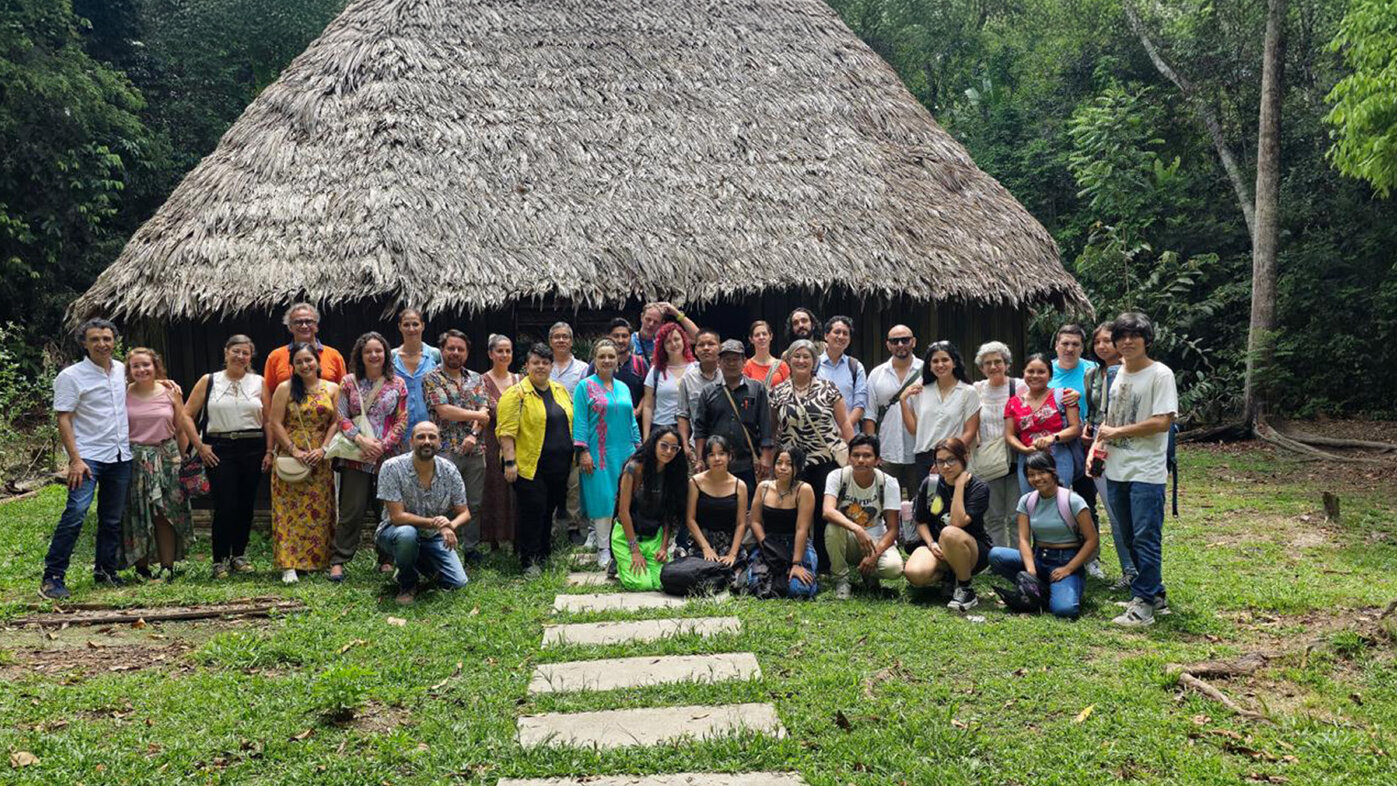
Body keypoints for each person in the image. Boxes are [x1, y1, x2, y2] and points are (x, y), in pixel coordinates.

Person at [1095, 312, 1178, 628]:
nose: (1127, 341)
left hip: (1146, 469)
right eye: (1122, 336)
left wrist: (1118, 433)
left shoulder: (1160, 374)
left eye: (1134, 335)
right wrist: (1100, 447)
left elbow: (1162, 421)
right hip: (1116, 468)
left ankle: (1143, 604)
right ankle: (1153, 593)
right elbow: (1108, 419)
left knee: (1145, 536)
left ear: (1147, 340)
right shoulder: (1115, 374)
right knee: (1128, 535)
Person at [42, 319, 134, 599]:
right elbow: (64, 418)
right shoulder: (71, 376)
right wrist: (74, 459)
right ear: (84, 343)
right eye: (95, 339)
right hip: (88, 457)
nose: (102, 344)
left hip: (120, 455)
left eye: (107, 338)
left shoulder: (121, 370)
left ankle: (105, 570)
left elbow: (139, 387)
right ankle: (52, 577)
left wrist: (163, 382)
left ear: (114, 340)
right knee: (75, 514)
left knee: (111, 519)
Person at [118, 348, 205, 581]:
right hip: (134, 459)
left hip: (166, 457)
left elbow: (180, 427)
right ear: (129, 371)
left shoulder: (170, 393)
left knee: (164, 514)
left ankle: (167, 567)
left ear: (156, 366)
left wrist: (183, 456)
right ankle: (141, 567)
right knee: (138, 513)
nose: (142, 370)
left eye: (146, 365)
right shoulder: (121, 393)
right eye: (136, 366)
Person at [184, 335, 267, 578]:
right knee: (225, 505)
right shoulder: (209, 381)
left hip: (252, 447)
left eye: (245, 353)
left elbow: (270, 420)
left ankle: (238, 556)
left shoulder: (259, 382)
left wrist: (270, 451)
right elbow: (187, 414)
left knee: (245, 505)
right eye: (236, 351)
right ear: (226, 352)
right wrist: (200, 446)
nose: (240, 357)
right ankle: (219, 559)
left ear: (250, 357)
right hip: (219, 449)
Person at [330, 332, 408, 581]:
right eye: (368, 352)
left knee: (386, 508)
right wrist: (362, 441)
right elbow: (340, 417)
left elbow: (402, 419)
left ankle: (386, 558)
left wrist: (382, 446)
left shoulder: (397, 384)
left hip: (388, 456)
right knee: (352, 509)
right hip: (355, 455)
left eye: (378, 351)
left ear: (385, 354)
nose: (374, 355)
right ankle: (339, 560)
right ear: (360, 356)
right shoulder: (348, 383)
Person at [988, 450, 1098, 619]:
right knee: (996, 555)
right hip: (1039, 558)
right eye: (1031, 475)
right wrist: (1031, 572)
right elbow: (1024, 539)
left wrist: (1068, 569)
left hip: (1066, 561)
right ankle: (1038, 587)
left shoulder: (1073, 500)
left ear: (1053, 472)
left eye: (1042, 472)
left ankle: (1048, 592)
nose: (1037, 478)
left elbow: (1092, 540)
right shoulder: (1027, 501)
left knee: (1064, 611)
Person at [497, 343, 574, 578]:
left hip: (558, 466)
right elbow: (506, 431)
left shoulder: (560, 390)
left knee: (548, 508)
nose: (540, 366)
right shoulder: (516, 394)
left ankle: (543, 553)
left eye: (545, 362)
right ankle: (529, 560)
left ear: (551, 366)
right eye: (535, 362)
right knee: (533, 510)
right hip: (528, 465)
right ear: (527, 366)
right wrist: (510, 462)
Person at [375, 422, 470, 605]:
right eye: (421, 437)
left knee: (458, 582)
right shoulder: (392, 467)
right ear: (411, 441)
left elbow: (464, 512)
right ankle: (407, 584)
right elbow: (397, 517)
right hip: (394, 532)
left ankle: (411, 564)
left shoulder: (449, 470)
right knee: (407, 534)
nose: (427, 441)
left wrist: (450, 525)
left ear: (439, 442)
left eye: (432, 437)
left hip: (432, 536)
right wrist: (437, 523)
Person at [269, 343, 340, 584]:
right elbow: (275, 422)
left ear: (317, 362)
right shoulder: (284, 388)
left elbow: (336, 422)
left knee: (318, 510)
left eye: (308, 360)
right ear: (293, 366)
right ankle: (289, 564)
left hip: (319, 458)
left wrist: (324, 449)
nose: (304, 365)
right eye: (299, 362)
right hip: (291, 455)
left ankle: (316, 560)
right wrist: (293, 449)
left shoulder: (332, 388)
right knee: (288, 511)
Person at [572, 339, 643, 569]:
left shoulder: (623, 387)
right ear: (595, 359)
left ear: (617, 360)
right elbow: (580, 420)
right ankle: (604, 549)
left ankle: (622, 545)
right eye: (602, 356)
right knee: (603, 500)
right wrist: (582, 451)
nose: (607, 360)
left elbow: (631, 419)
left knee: (625, 499)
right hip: (598, 452)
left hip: (625, 451)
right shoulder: (585, 386)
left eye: (611, 356)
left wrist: (639, 448)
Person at [903, 438, 993, 611]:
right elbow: (921, 521)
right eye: (940, 461)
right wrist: (931, 543)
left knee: (949, 533)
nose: (946, 466)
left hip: (970, 550)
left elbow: (957, 523)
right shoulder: (930, 484)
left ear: (964, 457)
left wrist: (959, 487)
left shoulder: (979, 488)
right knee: (915, 574)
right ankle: (949, 577)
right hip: (938, 546)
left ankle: (965, 588)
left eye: (951, 460)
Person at [423, 329, 490, 560]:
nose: (455, 352)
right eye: (451, 348)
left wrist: (473, 433)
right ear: (442, 350)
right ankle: (444, 547)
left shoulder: (476, 378)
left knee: (474, 501)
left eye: (460, 349)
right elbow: (444, 411)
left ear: (467, 352)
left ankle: (470, 548)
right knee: (444, 501)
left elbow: (485, 410)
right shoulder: (432, 378)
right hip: (445, 450)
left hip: (475, 448)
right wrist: (478, 415)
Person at [1049, 323, 1102, 578]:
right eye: (1065, 343)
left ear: (1082, 347)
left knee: (1086, 501)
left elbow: (1100, 403)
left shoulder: (1092, 370)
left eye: (1075, 344)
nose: (1069, 349)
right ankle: (1051, 552)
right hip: (1053, 445)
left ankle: (1092, 558)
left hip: (1085, 444)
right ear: (1056, 345)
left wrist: (1089, 429)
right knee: (1053, 500)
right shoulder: (1045, 370)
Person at [1084, 321, 1134, 590]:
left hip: (1125, 443)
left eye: (1107, 341)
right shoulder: (1092, 374)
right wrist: (1087, 428)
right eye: (1097, 342)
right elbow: (1093, 412)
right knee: (1113, 509)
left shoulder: (1130, 371)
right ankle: (1129, 570)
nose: (1102, 346)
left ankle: (1135, 569)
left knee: (1127, 510)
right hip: (1099, 444)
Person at [822, 434, 903, 599]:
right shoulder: (837, 476)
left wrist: (874, 555)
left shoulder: (888, 483)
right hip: (849, 538)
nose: (860, 460)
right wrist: (857, 528)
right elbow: (828, 511)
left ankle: (870, 575)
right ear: (849, 458)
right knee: (833, 526)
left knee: (893, 568)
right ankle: (841, 580)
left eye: (867, 456)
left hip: (875, 540)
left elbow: (893, 529)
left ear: (877, 460)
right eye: (856, 455)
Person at [771, 340, 855, 498]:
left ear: (814, 361)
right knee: (792, 510)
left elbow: (844, 423)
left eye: (806, 357)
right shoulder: (778, 391)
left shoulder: (828, 388)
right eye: (796, 356)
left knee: (822, 513)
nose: (801, 361)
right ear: (788, 360)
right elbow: (773, 429)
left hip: (825, 461)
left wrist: (855, 450)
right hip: (791, 464)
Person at [693, 339, 774, 495]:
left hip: (748, 463)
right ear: (719, 363)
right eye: (726, 360)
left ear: (744, 361)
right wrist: (699, 459)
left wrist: (765, 458)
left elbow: (765, 427)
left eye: (735, 359)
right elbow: (700, 430)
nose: (731, 363)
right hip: (716, 462)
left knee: (748, 509)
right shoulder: (708, 392)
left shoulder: (757, 389)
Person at [613, 427, 689, 591]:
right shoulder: (633, 469)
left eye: (674, 448)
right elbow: (623, 512)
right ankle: (618, 563)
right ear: (654, 444)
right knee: (642, 584)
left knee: (662, 582)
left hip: (653, 535)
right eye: (664, 446)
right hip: (628, 536)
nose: (668, 452)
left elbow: (668, 515)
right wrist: (634, 551)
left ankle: (645, 562)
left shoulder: (673, 471)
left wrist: (663, 547)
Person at [900, 340, 980, 484]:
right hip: (924, 458)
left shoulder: (968, 392)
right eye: (935, 361)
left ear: (954, 363)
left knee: (952, 502)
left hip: (953, 457)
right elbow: (914, 430)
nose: (940, 365)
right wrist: (903, 401)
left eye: (945, 360)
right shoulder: (921, 390)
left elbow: (970, 431)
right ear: (929, 366)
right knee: (929, 504)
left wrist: (946, 458)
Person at [746, 445, 818, 598]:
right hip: (769, 543)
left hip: (797, 545)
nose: (783, 468)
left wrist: (796, 564)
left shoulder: (804, 490)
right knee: (756, 584)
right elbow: (755, 521)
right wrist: (765, 545)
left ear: (797, 467)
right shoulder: (763, 487)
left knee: (798, 590)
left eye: (789, 464)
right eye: (779, 463)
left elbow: (802, 529)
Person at [1005, 354, 1082, 495]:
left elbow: (1076, 428)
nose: (1035, 376)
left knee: (1060, 503)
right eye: (1030, 371)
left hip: (1058, 456)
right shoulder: (1013, 403)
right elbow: (1009, 435)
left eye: (1041, 372)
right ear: (1023, 373)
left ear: (1050, 376)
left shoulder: (1064, 396)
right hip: (1027, 459)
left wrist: (1051, 438)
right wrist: (1025, 449)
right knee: (1031, 503)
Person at [970, 341, 1023, 548]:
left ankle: (1018, 556)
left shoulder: (1019, 386)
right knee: (993, 515)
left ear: (1007, 364)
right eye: (987, 363)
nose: (993, 367)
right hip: (987, 460)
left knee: (1015, 514)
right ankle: (998, 556)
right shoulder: (976, 389)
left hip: (1014, 458)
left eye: (998, 362)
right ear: (981, 368)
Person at [864, 325, 922, 498]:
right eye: (895, 341)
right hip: (886, 452)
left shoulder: (927, 371)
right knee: (887, 502)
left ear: (913, 342)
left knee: (920, 503)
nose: (900, 344)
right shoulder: (877, 374)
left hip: (919, 451)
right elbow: (870, 415)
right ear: (888, 345)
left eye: (905, 340)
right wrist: (873, 451)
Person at [681, 437, 750, 580]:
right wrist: (706, 548)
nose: (717, 458)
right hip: (702, 541)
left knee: (737, 575)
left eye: (721, 454)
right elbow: (690, 519)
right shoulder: (695, 482)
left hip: (728, 543)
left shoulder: (740, 485)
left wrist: (732, 554)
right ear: (706, 459)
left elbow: (741, 523)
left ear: (730, 456)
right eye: (711, 455)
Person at [547, 321, 589, 545]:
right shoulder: (544, 366)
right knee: (551, 481)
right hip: (547, 433)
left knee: (573, 483)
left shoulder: (582, 368)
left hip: (572, 432)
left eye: (565, 337)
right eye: (557, 337)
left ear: (571, 341)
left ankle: (573, 527)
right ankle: (550, 527)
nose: (561, 340)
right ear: (550, 341)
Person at [479, 334, 520, 549]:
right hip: (491, 441)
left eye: (508, 351)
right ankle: (492, 540)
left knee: (513, 489)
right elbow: (486, 409)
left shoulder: (520, 380)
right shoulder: (481, 381)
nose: (504, 355)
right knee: (493, 487)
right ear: (490, 354)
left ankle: (513, 538)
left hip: (516, 442)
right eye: (500, 351)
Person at [262, 303, 346, 396]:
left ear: (316, 326)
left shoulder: (334, 355)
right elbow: (268, 394)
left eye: (309, 321)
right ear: (290, 327)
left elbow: (343, 393)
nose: (304, 326)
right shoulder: (276, 356)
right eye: (298, 322)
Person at [640, 322, 696, 440]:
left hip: (690, 429)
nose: (673, 344)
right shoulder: (656, 371)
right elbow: (648, 405)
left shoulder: (695, 368)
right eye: (668, 342)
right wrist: (646, 437)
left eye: (676, 339)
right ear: (662, 346)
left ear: (684, 341)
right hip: (661, 428)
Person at [392, 308, 442, 435]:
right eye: (406, 325)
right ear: (399, 327)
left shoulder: (434, 355)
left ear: (423, 326)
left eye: (415, 324)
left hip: (430, 427)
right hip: (398, 428)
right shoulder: (392, 357)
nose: (411, 329)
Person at [676, 328, 722, 464]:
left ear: (719, 348)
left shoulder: (728, 377)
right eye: (701, 345)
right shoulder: (687, 379)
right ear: (695, 350)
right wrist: (684, 445)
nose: (706, 348)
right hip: (697, 448)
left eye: (711, 344)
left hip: (725, 448)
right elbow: (682, 415)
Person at [589, 318, 649, 421]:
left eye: (625, 336)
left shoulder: (639, 363)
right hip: (603, 424)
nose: (620, 340)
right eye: (616, 336)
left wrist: (638, 411)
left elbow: (648, 393)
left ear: (630, 338)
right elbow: (589, 392)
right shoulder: (597, 364)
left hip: (634, 425)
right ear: (608, 337)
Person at [817, 316, 869, 430]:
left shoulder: (855, 367)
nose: (841, 336)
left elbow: (860, 405)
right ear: (826, 336)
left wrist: (843, 431)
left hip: (849, 438)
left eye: (845, 333)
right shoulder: (814, 365)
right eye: (837, 332)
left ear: (849, 339)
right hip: (818, 438)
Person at [631, 301, 699, 360]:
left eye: (656, 322)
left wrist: (676, 313)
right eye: (648, 319)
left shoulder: (665, 341)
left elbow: (697, 338)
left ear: (662, 324)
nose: (651, 324)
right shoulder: (629, 340)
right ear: (641, 317)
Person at [743, 320, 789, 389]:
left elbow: (789, 391)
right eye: (757, 335)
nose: (761, 337)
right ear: (751, 339)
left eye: (764, 334)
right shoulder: (747, 366)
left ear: (771, 336)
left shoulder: (782, 366)